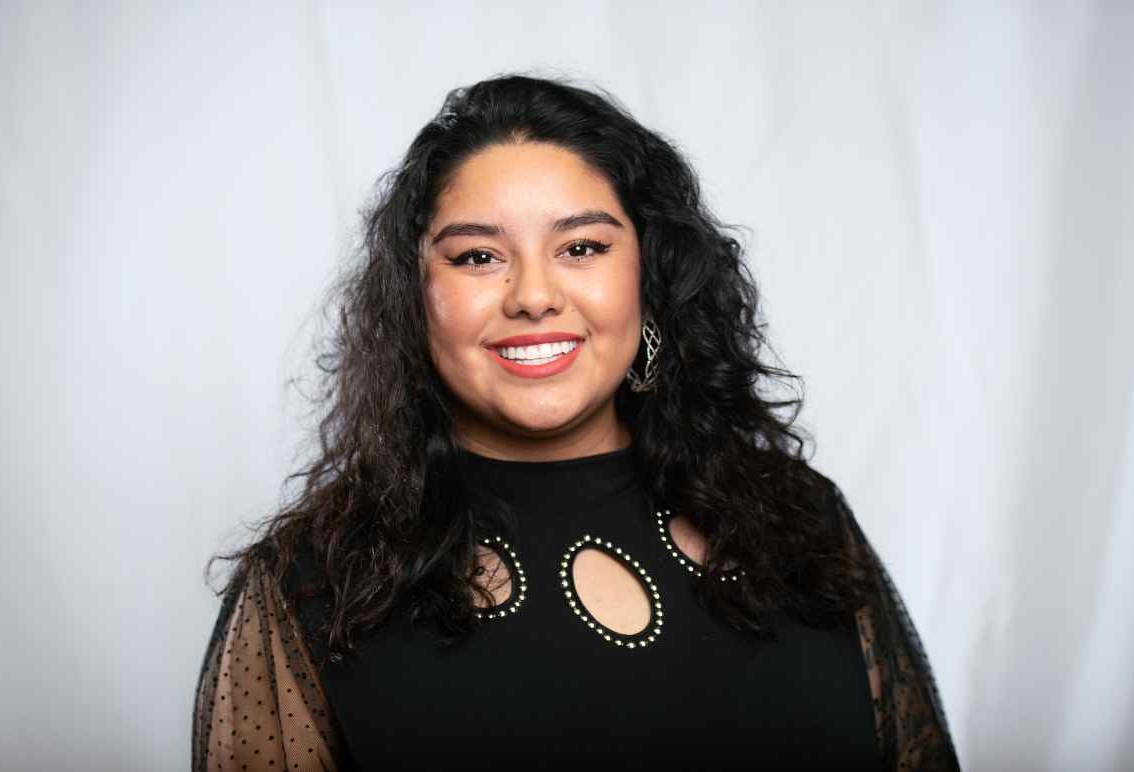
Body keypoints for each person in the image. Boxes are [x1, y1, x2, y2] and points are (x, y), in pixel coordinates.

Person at [191, 73, 960, 771]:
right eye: (477, 258)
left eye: (582, 247)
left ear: (649, 280)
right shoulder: (312, 585)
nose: (533, 295)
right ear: (414, 300)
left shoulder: (802, 522)